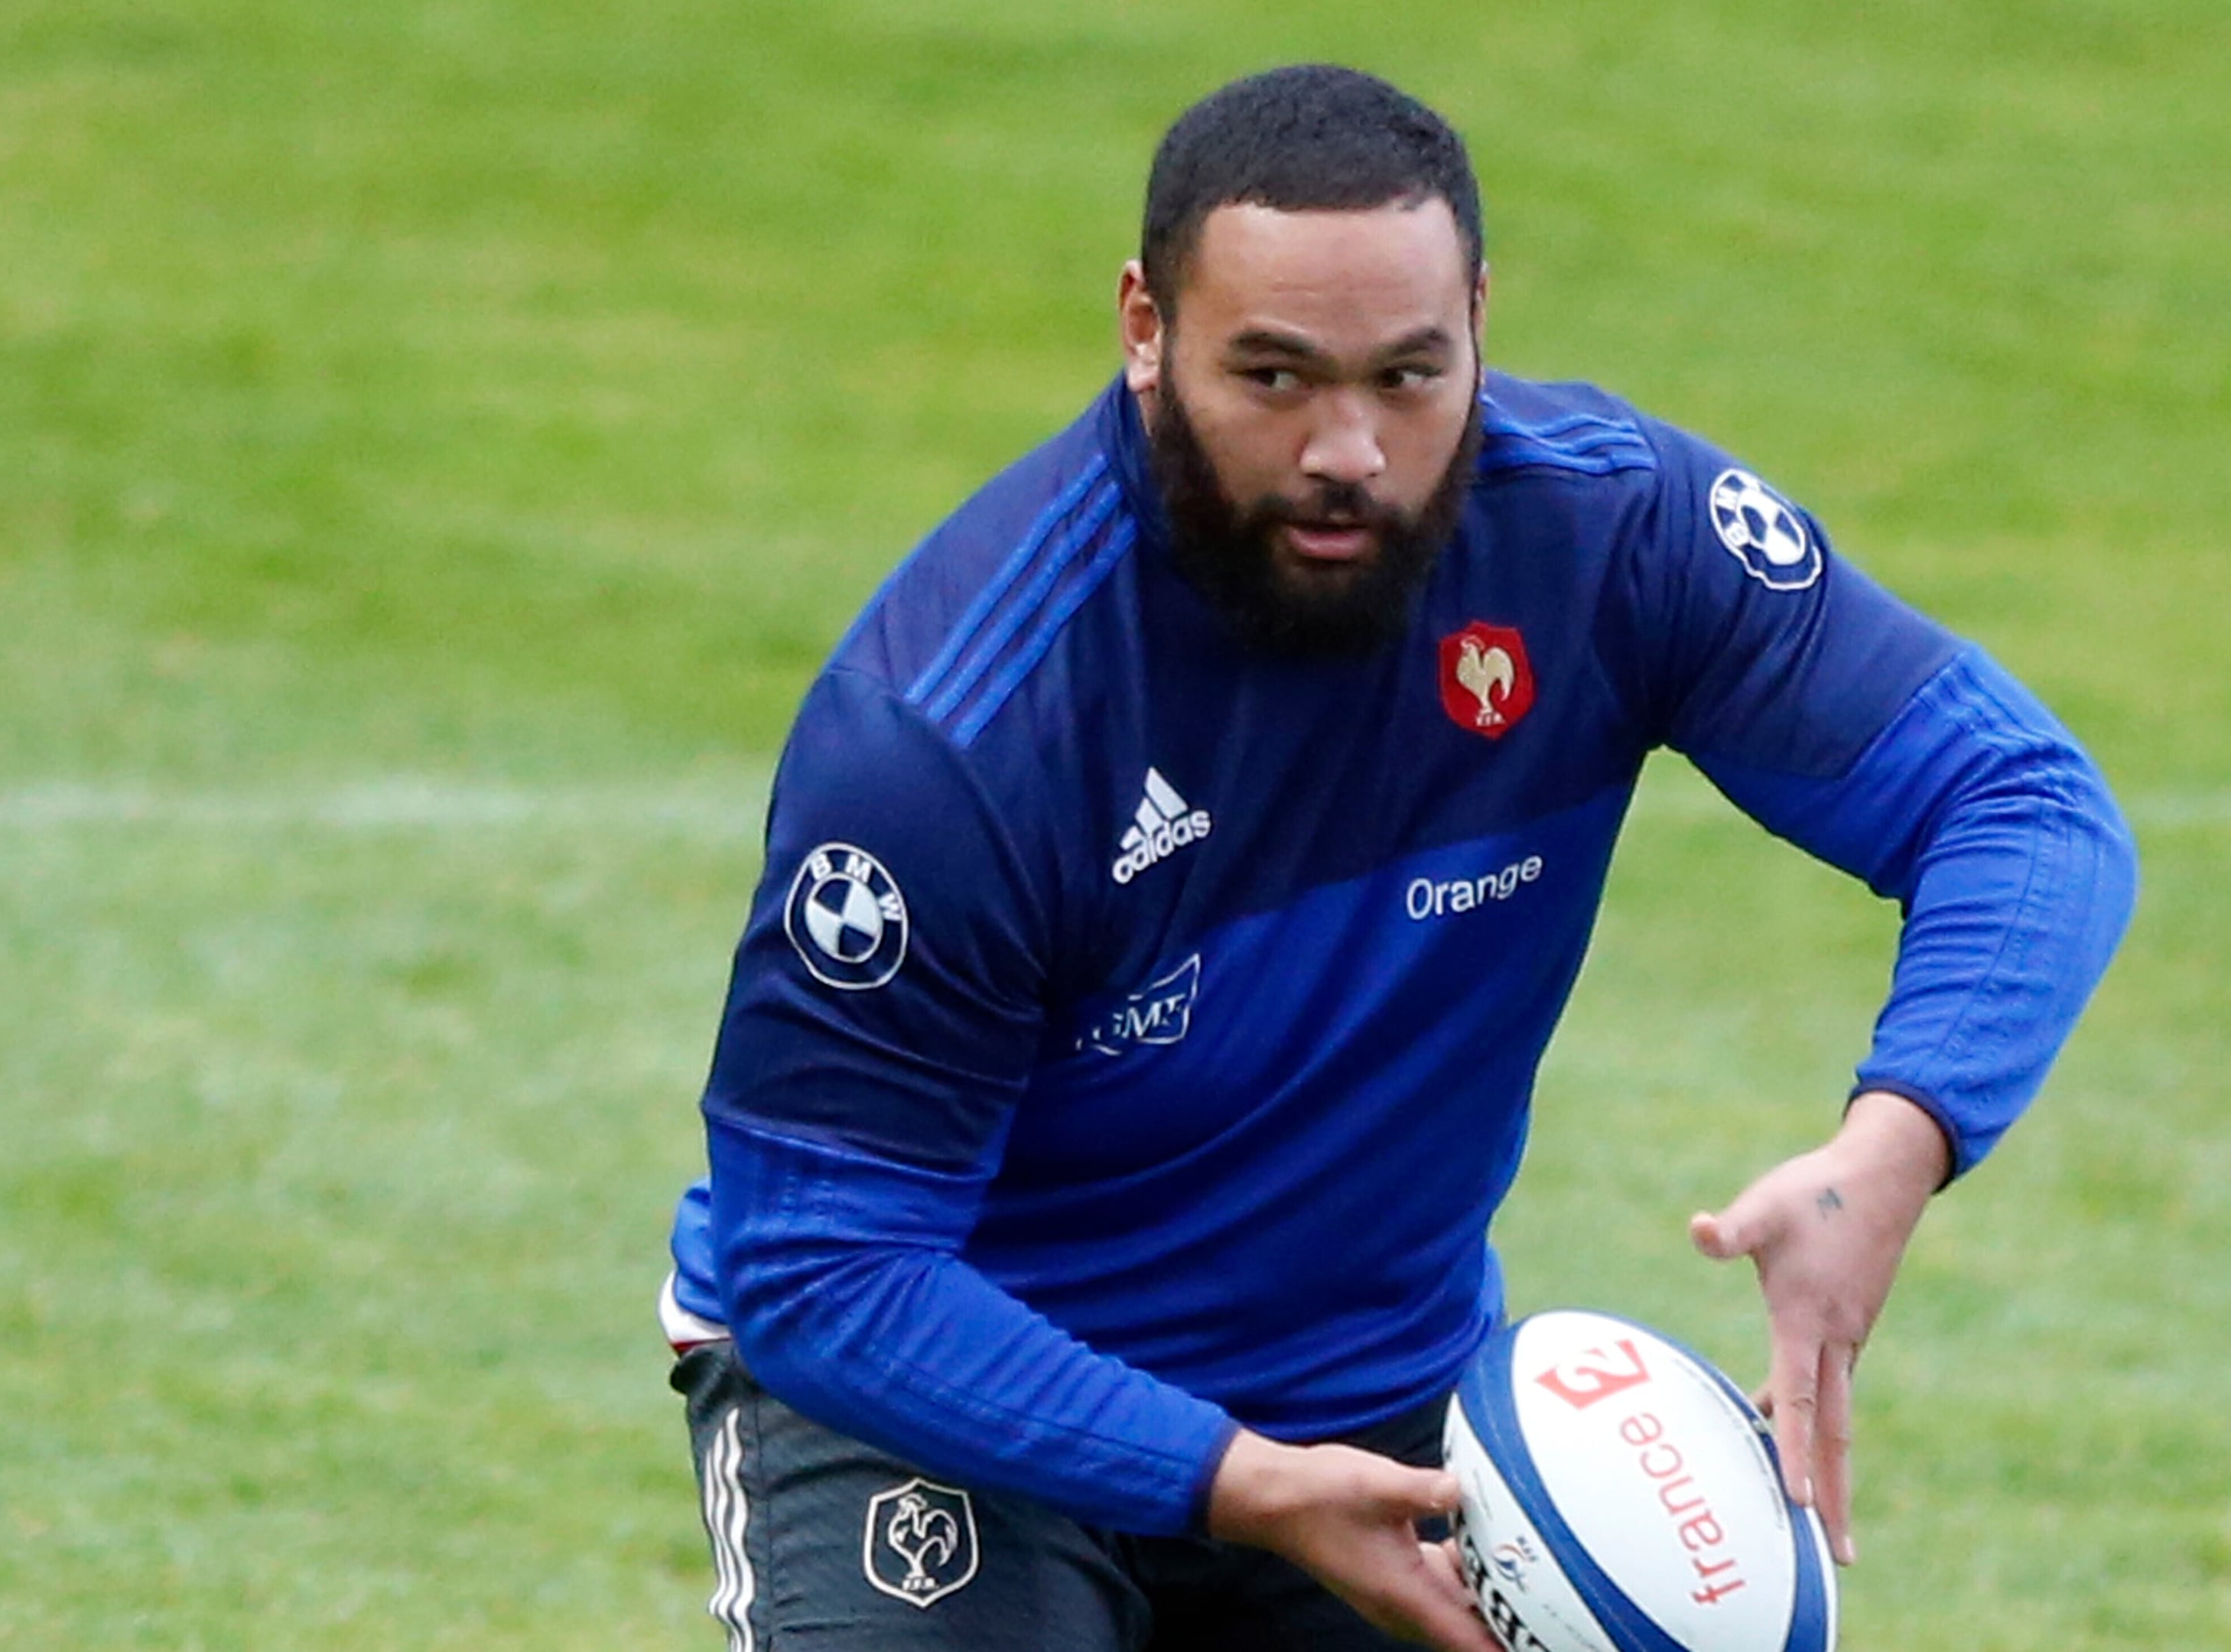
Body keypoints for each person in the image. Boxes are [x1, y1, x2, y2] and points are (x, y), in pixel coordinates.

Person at [658, 63, 2135, 1652]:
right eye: (1276, 379)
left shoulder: (1610, 541)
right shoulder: (961, 728)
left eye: (1410, 377)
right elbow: (824, 1270)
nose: (1350, 450)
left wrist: (1895, 1144)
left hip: (1373, 1412)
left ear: (1482, 321)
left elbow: (2022, 805)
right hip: (938, 1404)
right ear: (1145, 330)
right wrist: (1227, 1477)